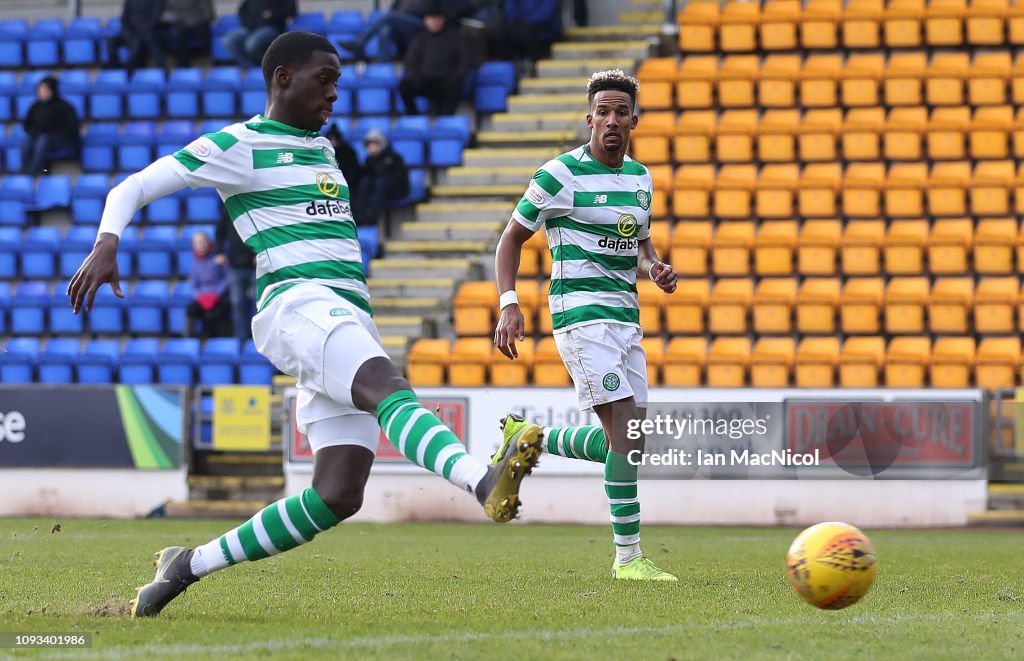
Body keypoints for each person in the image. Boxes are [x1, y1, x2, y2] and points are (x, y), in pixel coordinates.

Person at [67, 31, 543, 618]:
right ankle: (481, 479)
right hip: (297, 307)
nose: (335, 94)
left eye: (338, 82)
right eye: (325, 80)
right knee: (388, 387)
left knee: (338, 494)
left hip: (344, 317)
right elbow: (132, 186)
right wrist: (107, 242)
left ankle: (184, 566)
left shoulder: (322, 151)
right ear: (282, 78)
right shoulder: (239, 145)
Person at [491, 70, 679, 582]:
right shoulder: (559, 175)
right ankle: (629, 558)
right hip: (580, 316)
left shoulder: (641, 180)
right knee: (623, 426)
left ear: (634, 121)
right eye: (604, 112)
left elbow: (638, 245)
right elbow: (510, 241)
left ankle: (530, 437)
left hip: (626, 319)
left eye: (622, 112)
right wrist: (510, 304)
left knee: (629, 440)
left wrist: (655, 267)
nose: (612, 121)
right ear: (590, 117)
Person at [398, 8, 473, 116]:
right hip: (425, 81)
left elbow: (465, 60)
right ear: (425, 21)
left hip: (447, 82)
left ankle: (446, 119)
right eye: (431, 19)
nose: (435, 22)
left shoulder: (455, 37)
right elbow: (411, 61)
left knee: (455, 85)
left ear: (443, 20)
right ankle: (413, 117)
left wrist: (457, 76)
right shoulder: (420, 38)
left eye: (437, 19)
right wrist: (415, 76)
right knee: (404, 86)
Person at [337, 0, 432, 62]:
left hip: (420, 27)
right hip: (401, 30)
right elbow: (393, 11)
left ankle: (359, 42)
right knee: (385, 30)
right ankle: (383, 67)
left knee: (387, 16)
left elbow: (430, 15)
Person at [21, 77, 81, 176]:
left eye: (45, 90)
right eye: (40, 90)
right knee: (26, 144)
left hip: (63, 140)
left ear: (52, 90)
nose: (41, 92)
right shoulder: (35, 106)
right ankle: (25, 171)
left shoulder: (64, 106)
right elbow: (27, 125)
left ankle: (34, 171)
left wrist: (52, 132)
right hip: (39, 138)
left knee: (44, 140)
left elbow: (73, 128)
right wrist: (35, 132)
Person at [352, 129, 409, 227]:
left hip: (395, 191)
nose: (372, 148)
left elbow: (400, 178)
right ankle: (359, 214)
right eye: (369, 145)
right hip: (377, 191)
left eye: (375, 144)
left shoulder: (395, 158)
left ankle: (372, 217)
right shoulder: (369, 160)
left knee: (381, 182)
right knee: (365, 181)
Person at [213, 214, 257, 341]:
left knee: (258, 305)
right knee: (237, 304)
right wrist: (219, 252)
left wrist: (260, 253)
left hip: (256, 267)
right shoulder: (228, 208)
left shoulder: (254, 207)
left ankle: (257, 339)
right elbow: (219, 233)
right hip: (235, 267)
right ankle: (241, 340)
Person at [186, 231, 232, 339]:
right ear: (194, 245)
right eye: (198, 242)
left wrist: (215, 294)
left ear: (208, 243)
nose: (201, 245)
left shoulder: (218, 257)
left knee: (212, 314)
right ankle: (188, 340)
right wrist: (200, 296)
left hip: (219, 297)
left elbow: (227, 278)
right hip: (202, 297)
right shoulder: (194, 262)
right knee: (191, 310)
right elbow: (193, 284)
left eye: (203, 242)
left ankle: (213, 341)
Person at [223, 0, 296, 68]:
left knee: (251, 45)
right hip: (250, 28)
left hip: (271, 26)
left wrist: (272, 14)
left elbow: (291, 11)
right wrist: (247, 22)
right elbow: (242, 10)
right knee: (229, 40)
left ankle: (265, 66)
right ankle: (249, 68)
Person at [107, 0, 167, 74]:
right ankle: (116, 71)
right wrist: (128, 34)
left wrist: (141, 32)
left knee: (144, 42)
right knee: (110, 41)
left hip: (148, 32)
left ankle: (162, 73)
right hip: (131, 33)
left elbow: (156, 18)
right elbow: (124, 19)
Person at [160, 0, 216, 68]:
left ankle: (183, 67)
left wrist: (188, 22)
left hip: (197, 26)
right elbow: (166, 12)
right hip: (176, 25)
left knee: (178, 33)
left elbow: (209, 15)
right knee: (153, 34)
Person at [325, 123, 361, 195]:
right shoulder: (323, 151)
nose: (333, 143)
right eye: (331, 140)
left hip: (346, 183)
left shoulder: (348, 151)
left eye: (335, 140)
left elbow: (353, 172)